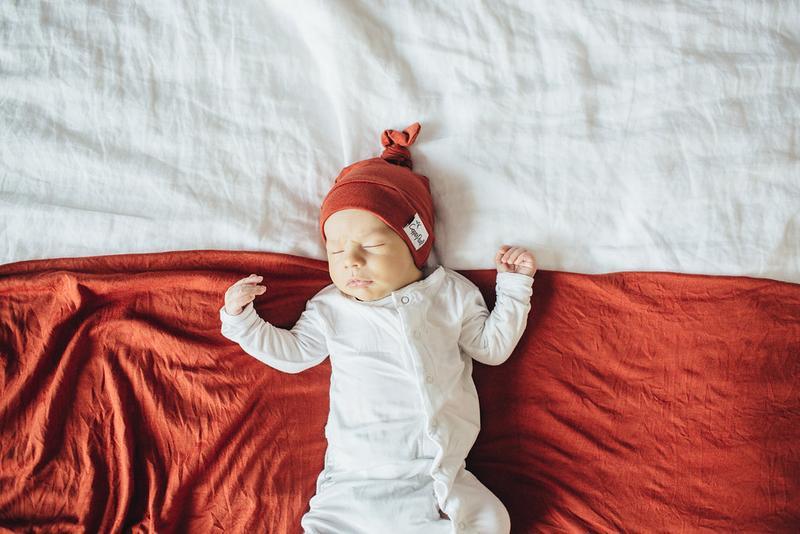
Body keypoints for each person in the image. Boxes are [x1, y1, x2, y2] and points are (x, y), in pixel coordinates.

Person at [219, 122, 536, 533]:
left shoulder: (450, 294)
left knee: (492, 521)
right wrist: (243, 321)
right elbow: (294, 353)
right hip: (355, 475)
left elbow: (491, 348)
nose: (350, 260)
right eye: (336, 250)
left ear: (413, 245)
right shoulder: (333, 307)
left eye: (369, 246)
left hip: (436, 477)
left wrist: (513, 288)